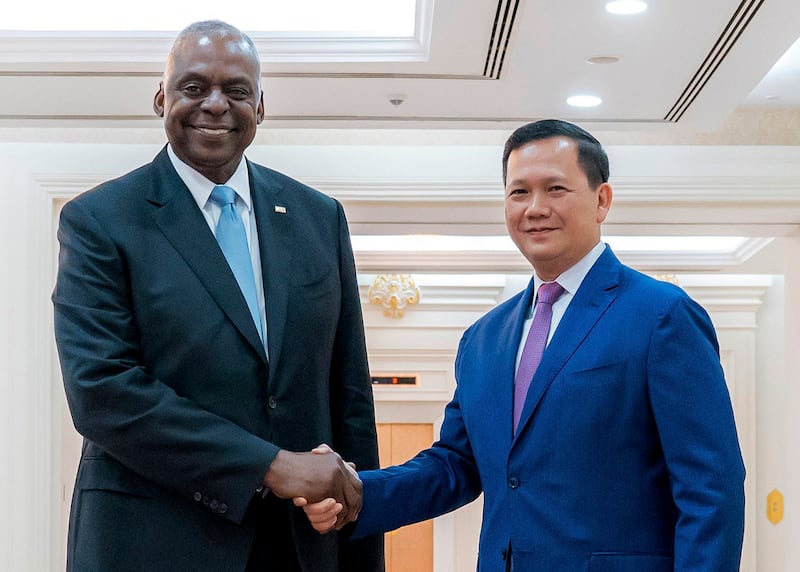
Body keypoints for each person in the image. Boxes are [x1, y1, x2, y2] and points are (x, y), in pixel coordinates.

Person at [297, 119, 746, 571]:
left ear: (601, 200)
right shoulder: (483, 338)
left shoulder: (661, 316)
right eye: (519, 192)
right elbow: (456, 464)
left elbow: (711, 489)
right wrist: (355, 494)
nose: (535, 208)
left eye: (555, 189)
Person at [52, 20, 382, 572]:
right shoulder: (100, 221)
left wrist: (362, 539)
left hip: (301, 545)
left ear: (260, 104)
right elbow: (101, 390)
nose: (215, 105)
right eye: (194, 87)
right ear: (162, 98)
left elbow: (348, 395)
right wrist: (269, 465)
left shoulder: (319, 218)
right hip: (152, 541)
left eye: (235, 91)